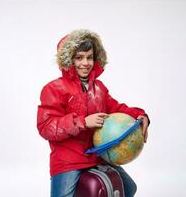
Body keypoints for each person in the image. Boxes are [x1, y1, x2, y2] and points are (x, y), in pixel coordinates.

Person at [37, 29, 150, 197]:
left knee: (129, 188)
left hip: (98, 157)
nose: (85, 63)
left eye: (89, 57)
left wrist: (141, 115)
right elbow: (46, 127)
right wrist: (83, 122)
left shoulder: (99, 88)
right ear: (69, 60)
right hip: (68, 162)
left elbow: (116, 108)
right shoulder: (54, 89)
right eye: (79, 57)